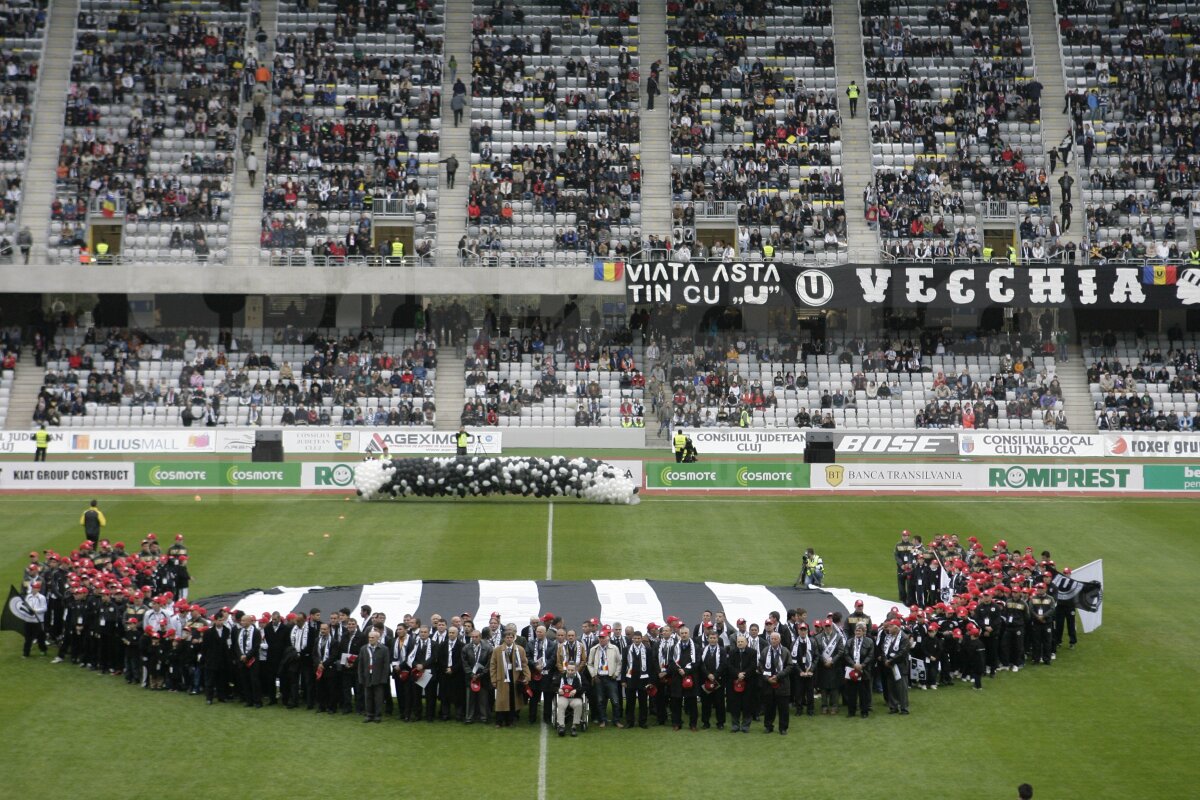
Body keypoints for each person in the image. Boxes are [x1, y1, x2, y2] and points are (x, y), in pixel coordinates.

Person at [489, 629, 530, 727]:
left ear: (514, 638)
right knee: (501, 701)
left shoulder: (520, 650)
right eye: (507, 637)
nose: (509, 639)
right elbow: (493, 665)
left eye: (511, 637)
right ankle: (499, 721)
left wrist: (527, 676)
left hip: (514, 678)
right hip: (502, 678)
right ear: (504, 638)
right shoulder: (497, 650)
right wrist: (493, 679)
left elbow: (524, 664)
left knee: (512, 700)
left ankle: (510, 721)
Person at [587, 629, 622, 727]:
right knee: (600, 700)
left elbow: (619, 662)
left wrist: (616, 674)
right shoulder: (594, 649)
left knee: (615, 700)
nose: (601, 640)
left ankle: (616, 720)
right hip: (599, 677)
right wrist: (593, 675)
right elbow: (589, 664)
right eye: (600, 638)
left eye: (603, 638)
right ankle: (602, 720)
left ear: (608, 638)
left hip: (610, 677)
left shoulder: (614, 648)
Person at [759, 631, 791, 735]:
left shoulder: (785, 651)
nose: (773, 640)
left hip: (782, 684)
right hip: (768, 684)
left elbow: (790, 666)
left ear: (779, 640)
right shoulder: (765, 651)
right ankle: (768, 726)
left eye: (775, 639)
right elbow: (760, 666)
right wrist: (767, 678)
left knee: (783, 708)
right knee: (769, 708)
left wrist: (778, 676)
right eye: (772, 639)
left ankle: (783, 728)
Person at [880, 620, 911, 714]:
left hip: (900, 666)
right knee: (891, 687)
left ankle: (904, 708)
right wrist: (885, 660)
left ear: (896, 627)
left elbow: (902, 653)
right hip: (889, 667)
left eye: (890, 626)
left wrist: (890, 661)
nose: (888, 628)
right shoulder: (888, 637)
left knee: (901, 688)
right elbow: (883, 649)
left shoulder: (904, 638)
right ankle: (893, 707)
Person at [843, 623, 874, 717]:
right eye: (856, 630)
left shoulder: (869, 641)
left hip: (864, 670)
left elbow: (871, 655)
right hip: (852, 669)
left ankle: (864, 712)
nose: (858, 632)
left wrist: (862, 665)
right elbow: (846, 654)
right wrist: (853, 664)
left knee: (863, 693)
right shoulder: (849, 641)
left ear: (864, 632)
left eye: (860, 630)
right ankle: (851, 712)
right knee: (851, 692)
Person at [358, 629, 388, 722]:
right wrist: (361, 677)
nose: (370, 639)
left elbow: (386, 666)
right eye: (369, 637)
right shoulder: (363, 649)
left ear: (378, 638)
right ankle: (369, 715)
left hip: (378, 677)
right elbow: (360, 664)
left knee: (378, 697)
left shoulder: (384, 649)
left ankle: (378, 715)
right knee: (368, 696)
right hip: (367, 676)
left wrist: (383, 679)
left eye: (372, 637)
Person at [623, 630, 651, 729]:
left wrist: (650, 681)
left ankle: (643, 722)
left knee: (643, 702)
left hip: (643, 678)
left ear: (641, 639)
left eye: (639, 638)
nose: (637, 640)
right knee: (630, 702)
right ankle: (630, 722)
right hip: (630, 678)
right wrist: (623, 680)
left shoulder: (647, 649)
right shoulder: (626, 649)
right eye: (635, 638)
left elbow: (650, 665)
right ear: (632, 639)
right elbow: (624, 665)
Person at [698, 631, 726, 730]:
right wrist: (708, 674)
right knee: (706, 703)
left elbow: (723, 664)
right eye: (711, 638)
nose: (713, 640)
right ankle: (706, 723)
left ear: (717, 639)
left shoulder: (722, 650)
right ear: (708, 639)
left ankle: (720, 723)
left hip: (718, 680)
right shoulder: (702, 650)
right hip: (706, 680)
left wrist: (715, 675)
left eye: (714, 638)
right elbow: (700, 664)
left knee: (719, 703)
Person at [556, 661, 584, 736]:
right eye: (568, 670)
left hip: (575, 697)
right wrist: (558, 689)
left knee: (578, 704)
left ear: (576, 670)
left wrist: (576, 690)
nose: (570, 672)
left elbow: (586, 686)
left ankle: (574, 726)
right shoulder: (561, 676)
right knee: (561, 704)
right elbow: (553, 686)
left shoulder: (580, 676)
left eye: (572, 670)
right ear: (566, 669)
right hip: (564, 697)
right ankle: (561, 726)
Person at [22, 582, 48, 657]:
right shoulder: (28, 596)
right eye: (33, 587)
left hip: (38, 621)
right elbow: (25, 606)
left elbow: (44, 608)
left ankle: (43, 649)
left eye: (35, 587)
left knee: (40, 637)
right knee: (27, 637)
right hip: (28, 620)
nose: (33, 589)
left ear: (39, 589)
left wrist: (35, 611)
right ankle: (26, 653)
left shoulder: (42, 597)